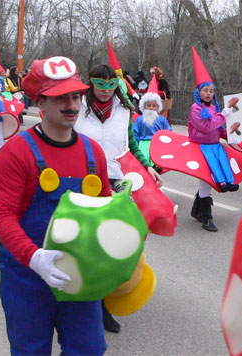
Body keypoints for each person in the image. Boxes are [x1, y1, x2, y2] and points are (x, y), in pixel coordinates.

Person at [0, 56, 110, 355]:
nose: (71, 105)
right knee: (30, 351)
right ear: (40, 104)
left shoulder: (93, 152)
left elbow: (106, 211)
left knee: (89, 349)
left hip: (80, 277)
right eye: (60, 98)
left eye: (75, 96)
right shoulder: (15, 153)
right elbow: (2, 217)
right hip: (27, 276)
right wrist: (35, 258)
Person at [73, 63, 163, 333]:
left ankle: (104, 305)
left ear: (117, 85)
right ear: (91, 84)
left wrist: (147, 165)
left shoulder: (124, 110)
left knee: (114, 242)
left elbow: (130, 144)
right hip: (82, 180)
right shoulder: (77, 107)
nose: (105, 91)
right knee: (85, 243)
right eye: (99, 85)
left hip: (114, 181)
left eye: (110, 85)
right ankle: (82, 302)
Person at [189, 47, 236, 233]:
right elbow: (206, 127)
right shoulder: (195, 109)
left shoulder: (215, 109)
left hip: (215, 146)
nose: (208, 93)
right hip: (201, 148)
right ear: (199, 92)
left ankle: (197, 210)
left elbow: (217, 129)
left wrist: (232, 134)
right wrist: (223, 116)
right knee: (206, 181)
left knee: (209, 180)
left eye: (211, 91)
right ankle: (206, 217)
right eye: (205, 90)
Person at [133, 75, 172, 169]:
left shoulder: (162, 119)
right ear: (144, 106)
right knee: (144, 159)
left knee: (157, 158)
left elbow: (168, 131)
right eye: (148, 105)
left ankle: (157, 166)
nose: (151, 108)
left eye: (154, 106)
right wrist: (136, 145)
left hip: (157, 143)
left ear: (157, 107)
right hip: (143, 143)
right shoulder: (139, 119)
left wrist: (166, 142)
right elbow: (135, 133)